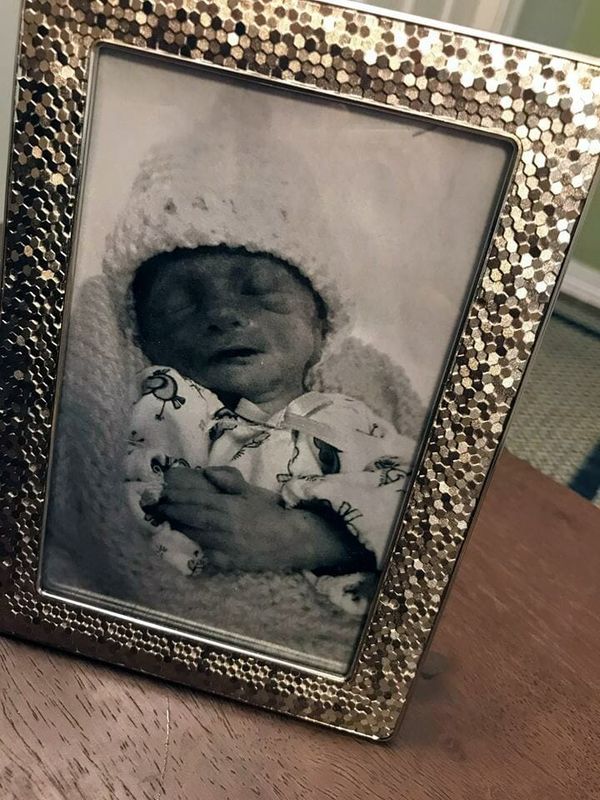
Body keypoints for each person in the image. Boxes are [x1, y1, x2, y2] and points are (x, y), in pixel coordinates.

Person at [125, 243, 416, 614]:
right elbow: (100, 475)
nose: (221, 314)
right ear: (143, 337)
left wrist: (305, 536)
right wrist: (170, 491)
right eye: (180, 304)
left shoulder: (349, 418)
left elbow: (419, 505)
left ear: (319, 326)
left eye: (262, 293)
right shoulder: (162, 398)